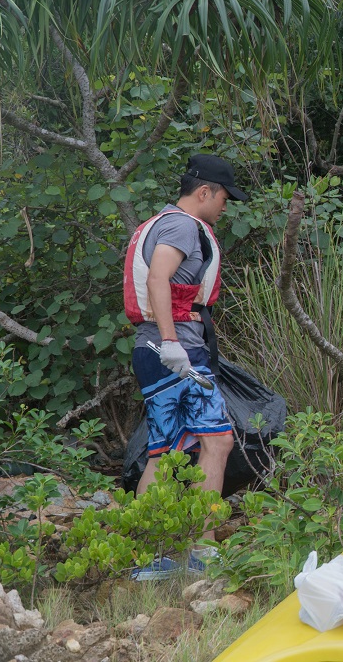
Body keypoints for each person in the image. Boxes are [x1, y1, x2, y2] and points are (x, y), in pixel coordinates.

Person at [122, 153, 249, 580]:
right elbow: (159, 279)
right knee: (216, 442)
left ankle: (153, 557)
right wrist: (172, 342)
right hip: (174, 352)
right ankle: (202, 552)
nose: (226, 206)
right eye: (225, 197)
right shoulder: (180, 225)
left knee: (168, 449)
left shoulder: (163, 222)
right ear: (204, 192)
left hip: (161, 350)